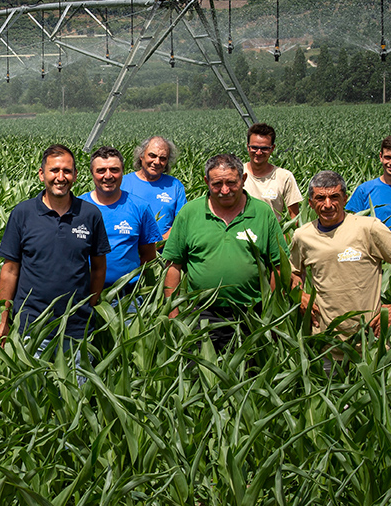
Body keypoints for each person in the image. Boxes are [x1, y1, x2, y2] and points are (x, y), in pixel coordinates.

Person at [161, 153, 285, 350]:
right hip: (202, 314)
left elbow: (277, 265)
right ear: (206, 182)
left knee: (250, 374)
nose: (225, 190)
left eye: (232, 183)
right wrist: (172, 311)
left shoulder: (262, 213)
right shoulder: (190, 213)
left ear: (243, 180)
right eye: (217, 184)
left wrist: (273, 311)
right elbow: (173, 265)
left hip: (252, 313)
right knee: (201, 374)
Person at [291, 170, 391, 354]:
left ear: (345, 199)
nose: (328, 205)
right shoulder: (303, 235)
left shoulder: (368, 228)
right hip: (324, 344)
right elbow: (294, 271)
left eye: (334, 197)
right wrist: (300, 294)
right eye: (320, 198)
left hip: (369, 343)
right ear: (311, 203)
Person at [0, 144, 109, 344]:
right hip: (30, 327)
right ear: (41, 174)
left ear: (75, 175)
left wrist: (87, 306)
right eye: (54, 170)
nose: (61, 177)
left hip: (76, 330)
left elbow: (99, 268)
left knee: (76, 377)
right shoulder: (23, 214)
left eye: (67, 171)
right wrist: (3, 319)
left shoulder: (90, 215)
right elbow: (10, 270)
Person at [79, 146, 160, 295]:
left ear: (123, 171)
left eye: (114, 170)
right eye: (101, 170)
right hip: (84, 292)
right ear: (92, 173)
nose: (108, 176)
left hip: (127, 295)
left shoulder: (140, 207)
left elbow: (149, 255)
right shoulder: (77, 207)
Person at [121, 136, 186, 239]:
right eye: (152, 155)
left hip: (163, 252)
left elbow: (182, 222)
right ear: (141, 156)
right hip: (129, 251)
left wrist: (159, 243)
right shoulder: (122, 183)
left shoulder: (175, 186)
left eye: (163, 158)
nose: (156, 162)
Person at [242, 123, 302, 220]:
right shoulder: (237, 174)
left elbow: (294, 216)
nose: (258, 152)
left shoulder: (284, 177)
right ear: (248, 147)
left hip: (273, 234)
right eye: (254, 147)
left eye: (264, 148)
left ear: (272, 148)